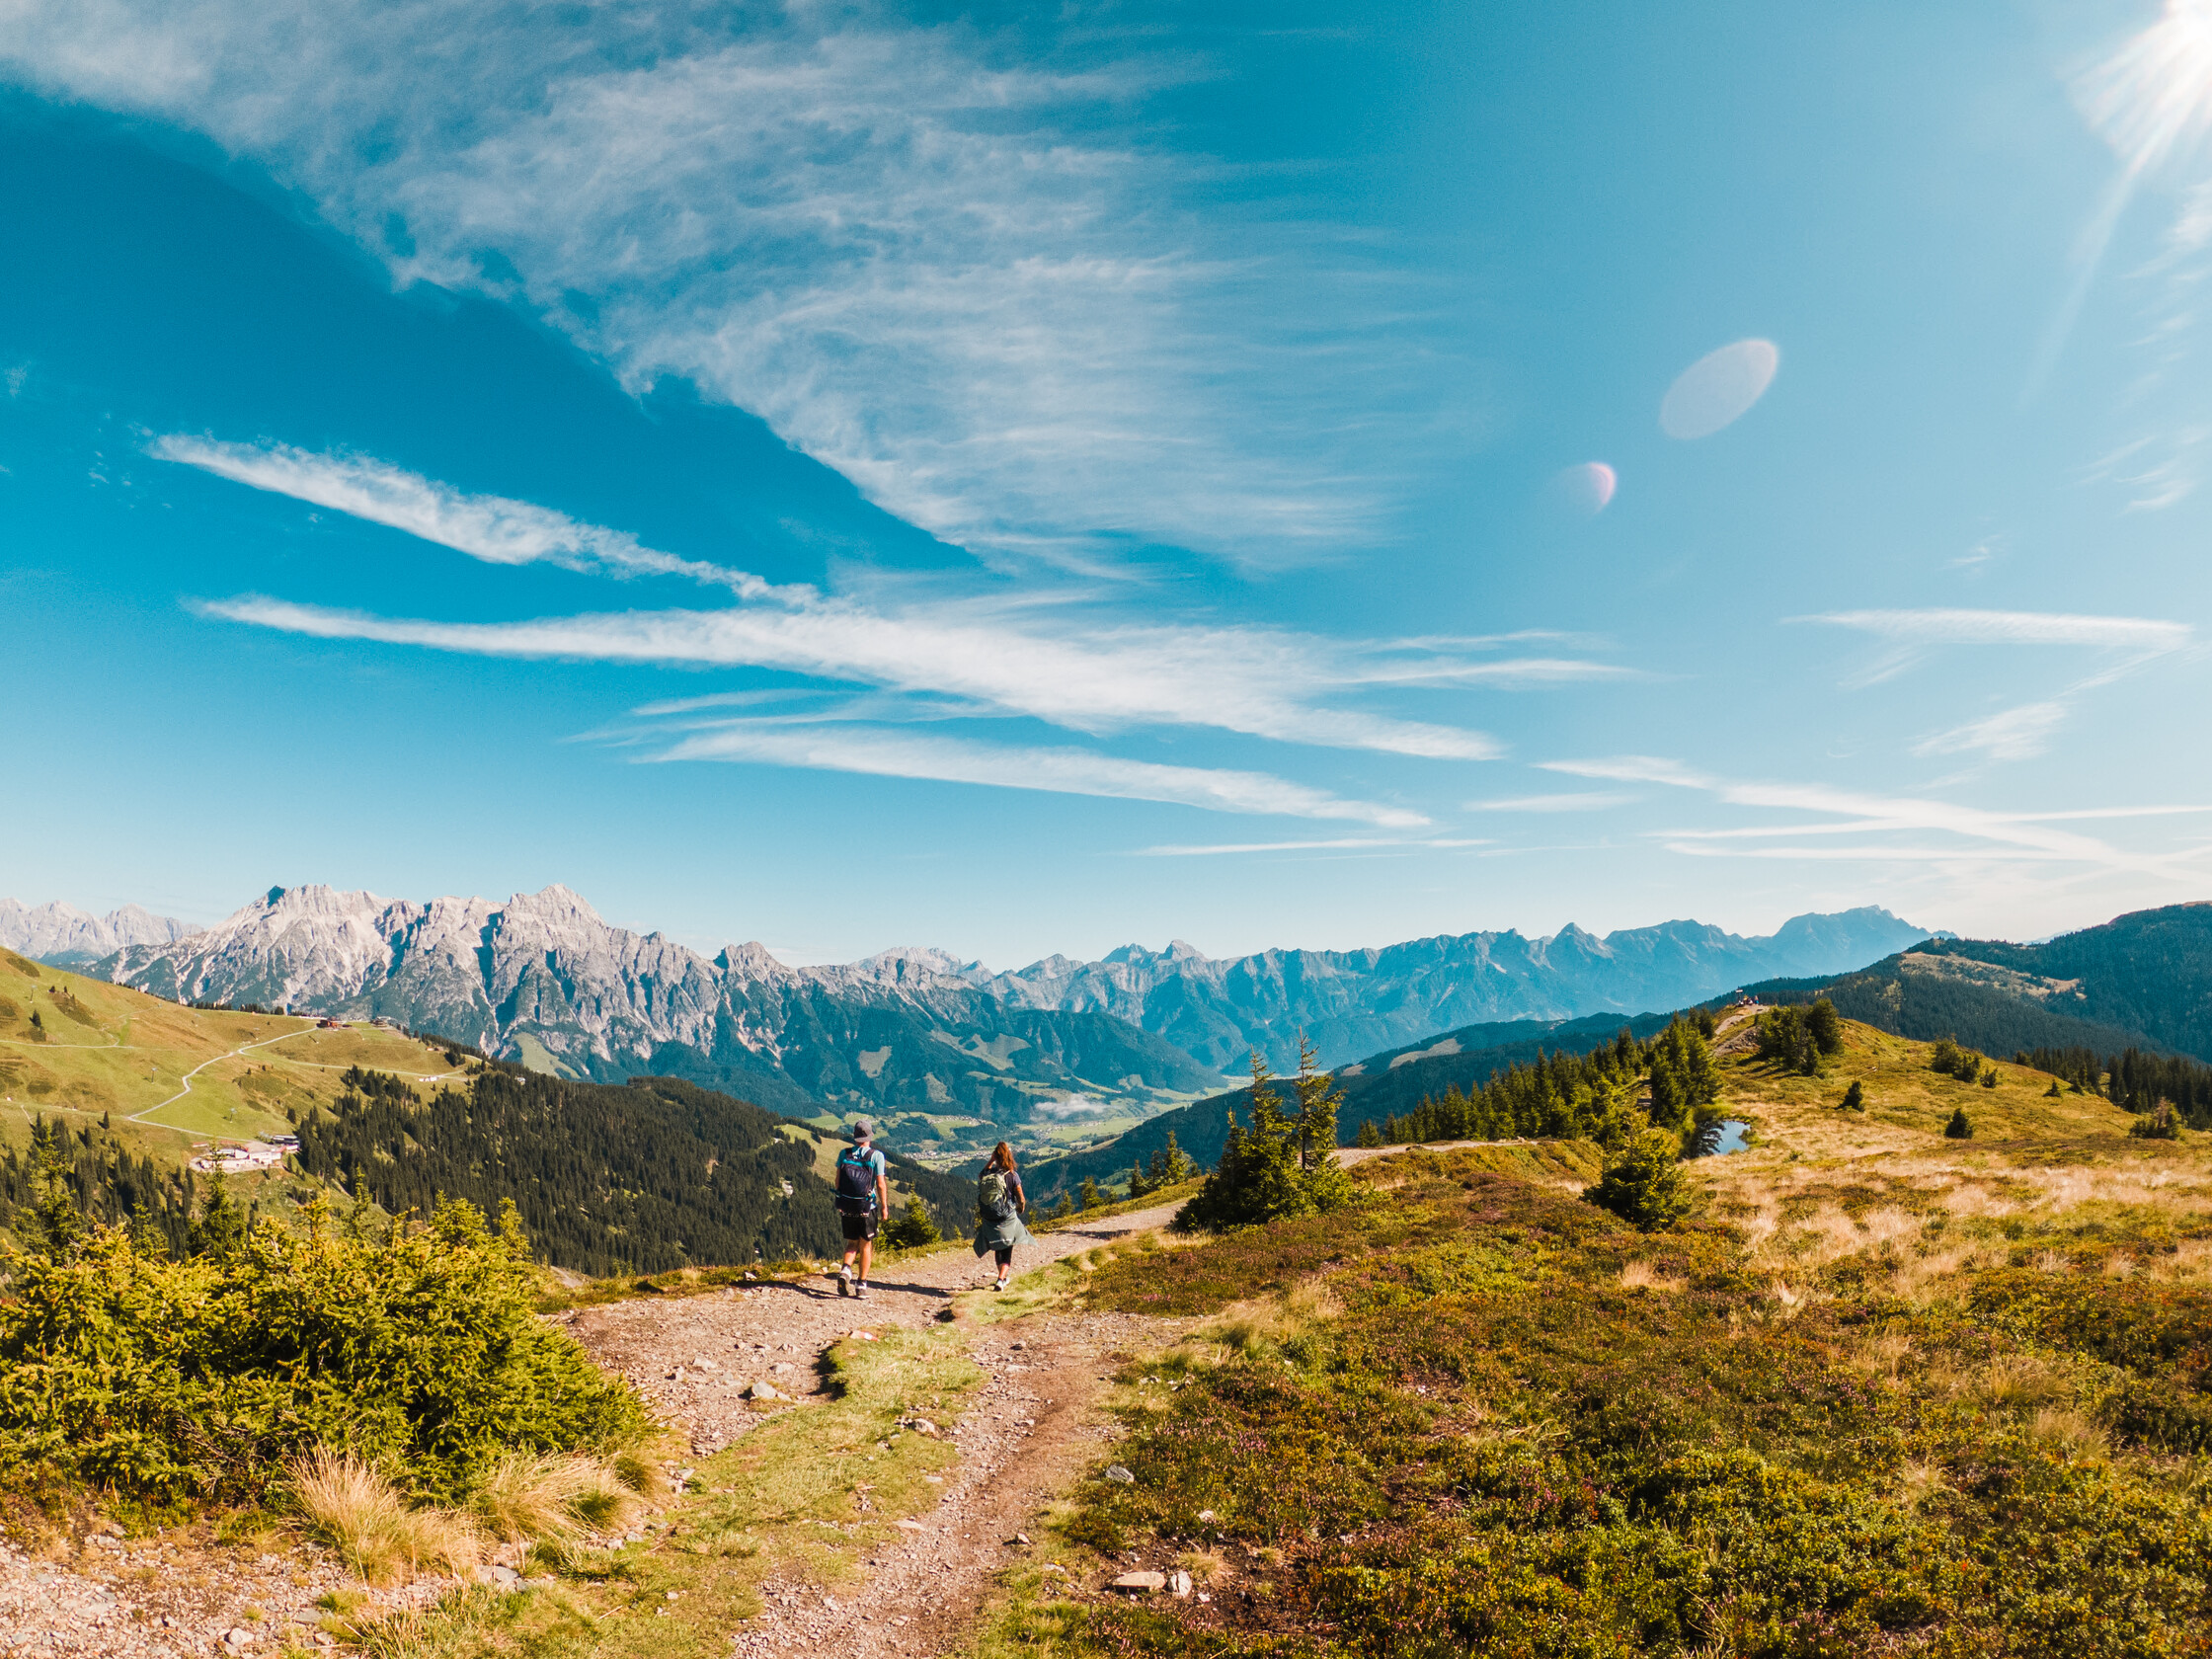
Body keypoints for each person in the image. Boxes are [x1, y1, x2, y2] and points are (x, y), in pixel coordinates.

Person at [832, 1119, 891, 1300]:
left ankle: (845, 1270)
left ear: (855, 1137)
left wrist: (842, 1199)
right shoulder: (876, 1155)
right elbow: (880, 1184)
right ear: (869, 1136)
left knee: (852, 1243)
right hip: (867, 1206)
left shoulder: (845, 1153)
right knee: (866, 1245)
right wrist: (884, 1207)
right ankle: (861, 1284)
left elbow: (837, 1180)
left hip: (847, 1204)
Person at [972, 1142, 1033, 1293]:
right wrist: (1020, 1209)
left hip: (989, 1218)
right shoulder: (1012, 1175)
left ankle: (1003, 1278)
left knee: (997, 1247)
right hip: (1006, 1217)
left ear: (996, 1157)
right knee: (1007, 1248)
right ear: (1009, 1156)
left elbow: (980, 1175)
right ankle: (1001, 1279)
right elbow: (1021, 1199)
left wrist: (991, 1160)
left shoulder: (988, 1173)